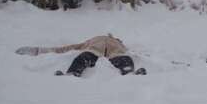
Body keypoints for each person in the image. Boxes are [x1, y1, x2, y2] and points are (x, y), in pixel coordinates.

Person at [15, 34, 146, 77]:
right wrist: (37, 50)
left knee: (126, 59)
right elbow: (69, 48)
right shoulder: (92, 40)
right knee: (82, 57)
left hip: (115, 56)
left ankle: (129, 74)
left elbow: (135, 54)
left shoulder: (120, 45)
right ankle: (72, 74)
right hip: (93, 52)